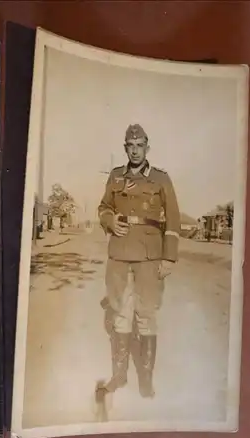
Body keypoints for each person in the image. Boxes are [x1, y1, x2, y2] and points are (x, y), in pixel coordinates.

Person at [95, 124, 180, 409]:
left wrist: (168, 257)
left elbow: (174, 219)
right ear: (125, 148)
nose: (135, 149)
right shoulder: (116, 176)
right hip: (119, 254)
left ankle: (145, 379)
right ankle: (119, 376)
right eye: (130, 145)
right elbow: (104, 207)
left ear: (147, 148)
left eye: (140, 145)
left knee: (146, 315)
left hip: (149, 255)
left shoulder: (160, 179)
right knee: (120, 313)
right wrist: (110, 221)